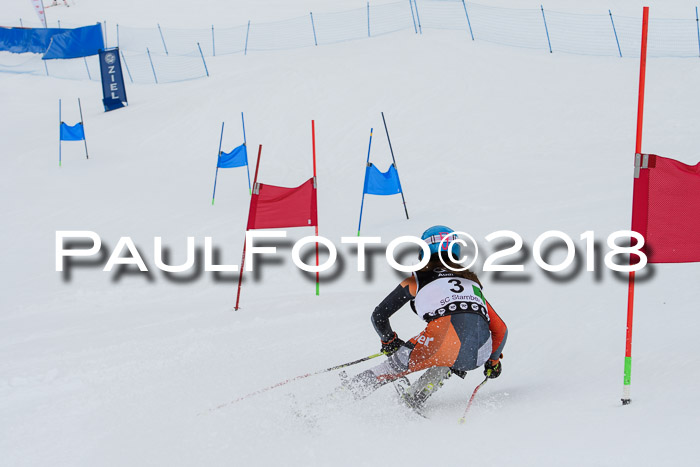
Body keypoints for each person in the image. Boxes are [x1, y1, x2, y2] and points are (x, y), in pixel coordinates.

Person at [345, 225, 508, 408]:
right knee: (450, 354)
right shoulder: (472, 284)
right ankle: (418, 393)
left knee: (389, 369)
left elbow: (379, 316)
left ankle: (335, 400)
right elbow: (500, 329)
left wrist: (389, 341)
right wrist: (493, 363)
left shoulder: (416, 280)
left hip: (441, 340)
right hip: (478, 354)